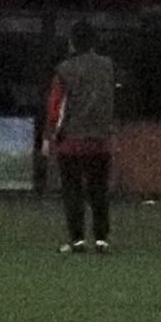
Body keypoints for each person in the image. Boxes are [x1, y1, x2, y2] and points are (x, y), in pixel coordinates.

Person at [44, 22, 119, 254]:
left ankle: (77, 240)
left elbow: (56, 106)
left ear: (72, 42)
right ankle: (101, 239)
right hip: (101, 140)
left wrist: (50, 135)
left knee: (73, 191)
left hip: (72, 141)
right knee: (99, 191)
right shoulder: (107, 67)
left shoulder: (64, 70)